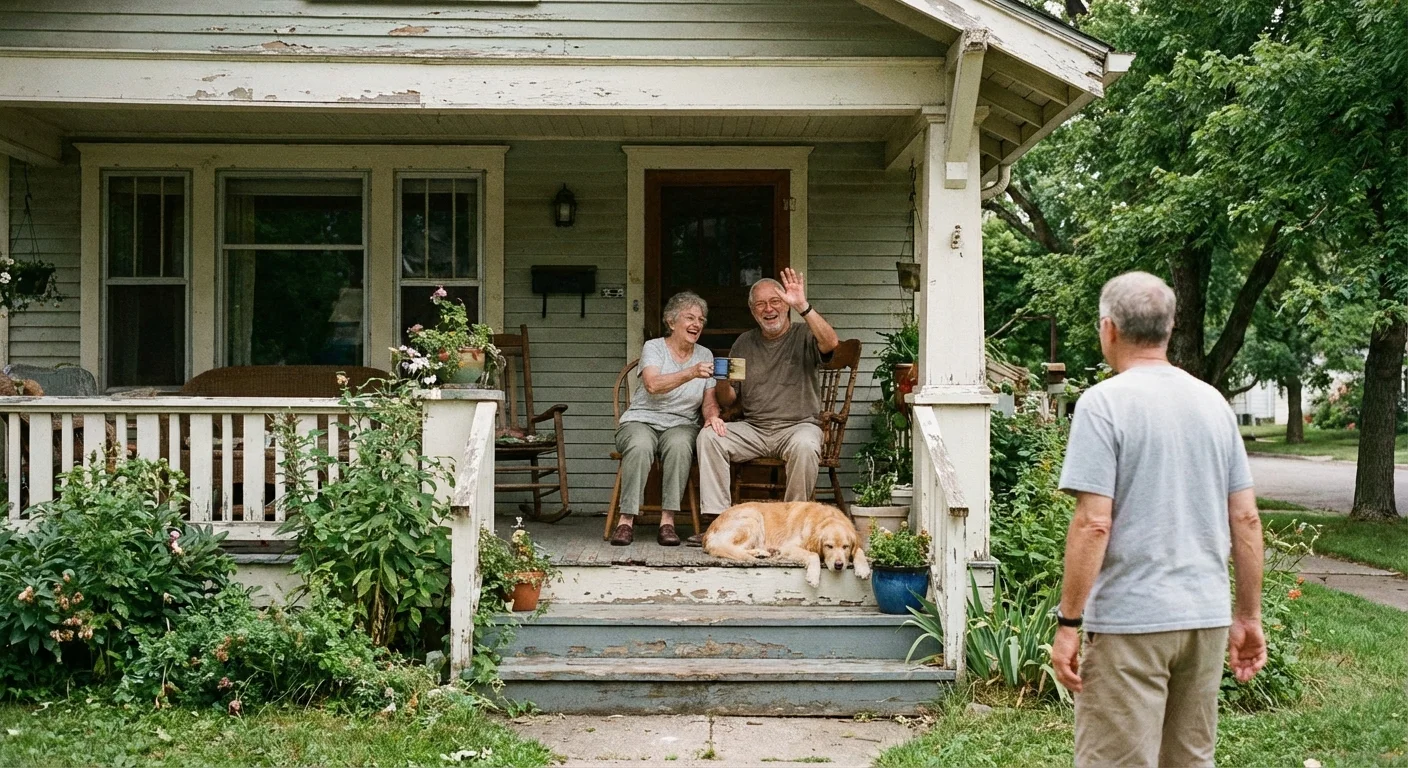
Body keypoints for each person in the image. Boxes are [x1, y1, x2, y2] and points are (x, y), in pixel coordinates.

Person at [1051, 271, 1266, 767]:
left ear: (1108, 328)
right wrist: (1248, 617)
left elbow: (1093, 524)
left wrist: (1069, 624)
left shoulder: (1103, 404)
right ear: (1169, 329)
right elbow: (1247, 519)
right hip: (1205, 619)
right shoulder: (1213, 403)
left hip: (1132, 621)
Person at [696, 268, 840, 521]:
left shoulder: (804, 334)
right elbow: (729, 400)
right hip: (755, 429)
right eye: (760, 304)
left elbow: (831, 343)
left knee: (805, 446)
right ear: (753, 311)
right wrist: (720, 380)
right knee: (710, 437)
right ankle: (719, 519)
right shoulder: (743, 343)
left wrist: (803, 306)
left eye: (775, 301)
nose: (768, 309)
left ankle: (793, 522)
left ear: (786, 305)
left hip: (798, 427)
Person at [610, 291, 725, 547]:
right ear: (672, 322)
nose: (697, 324)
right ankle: (626, 520)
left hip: (682, 422)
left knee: (680, 446)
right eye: (690, 317)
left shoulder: (705, 355)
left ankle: (667, 522)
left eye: (701, 319)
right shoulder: (654, 347)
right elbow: (652, 385)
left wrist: (712, 417)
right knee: (639, 446)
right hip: (642, 419)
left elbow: (708, 401)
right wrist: (692, 372)